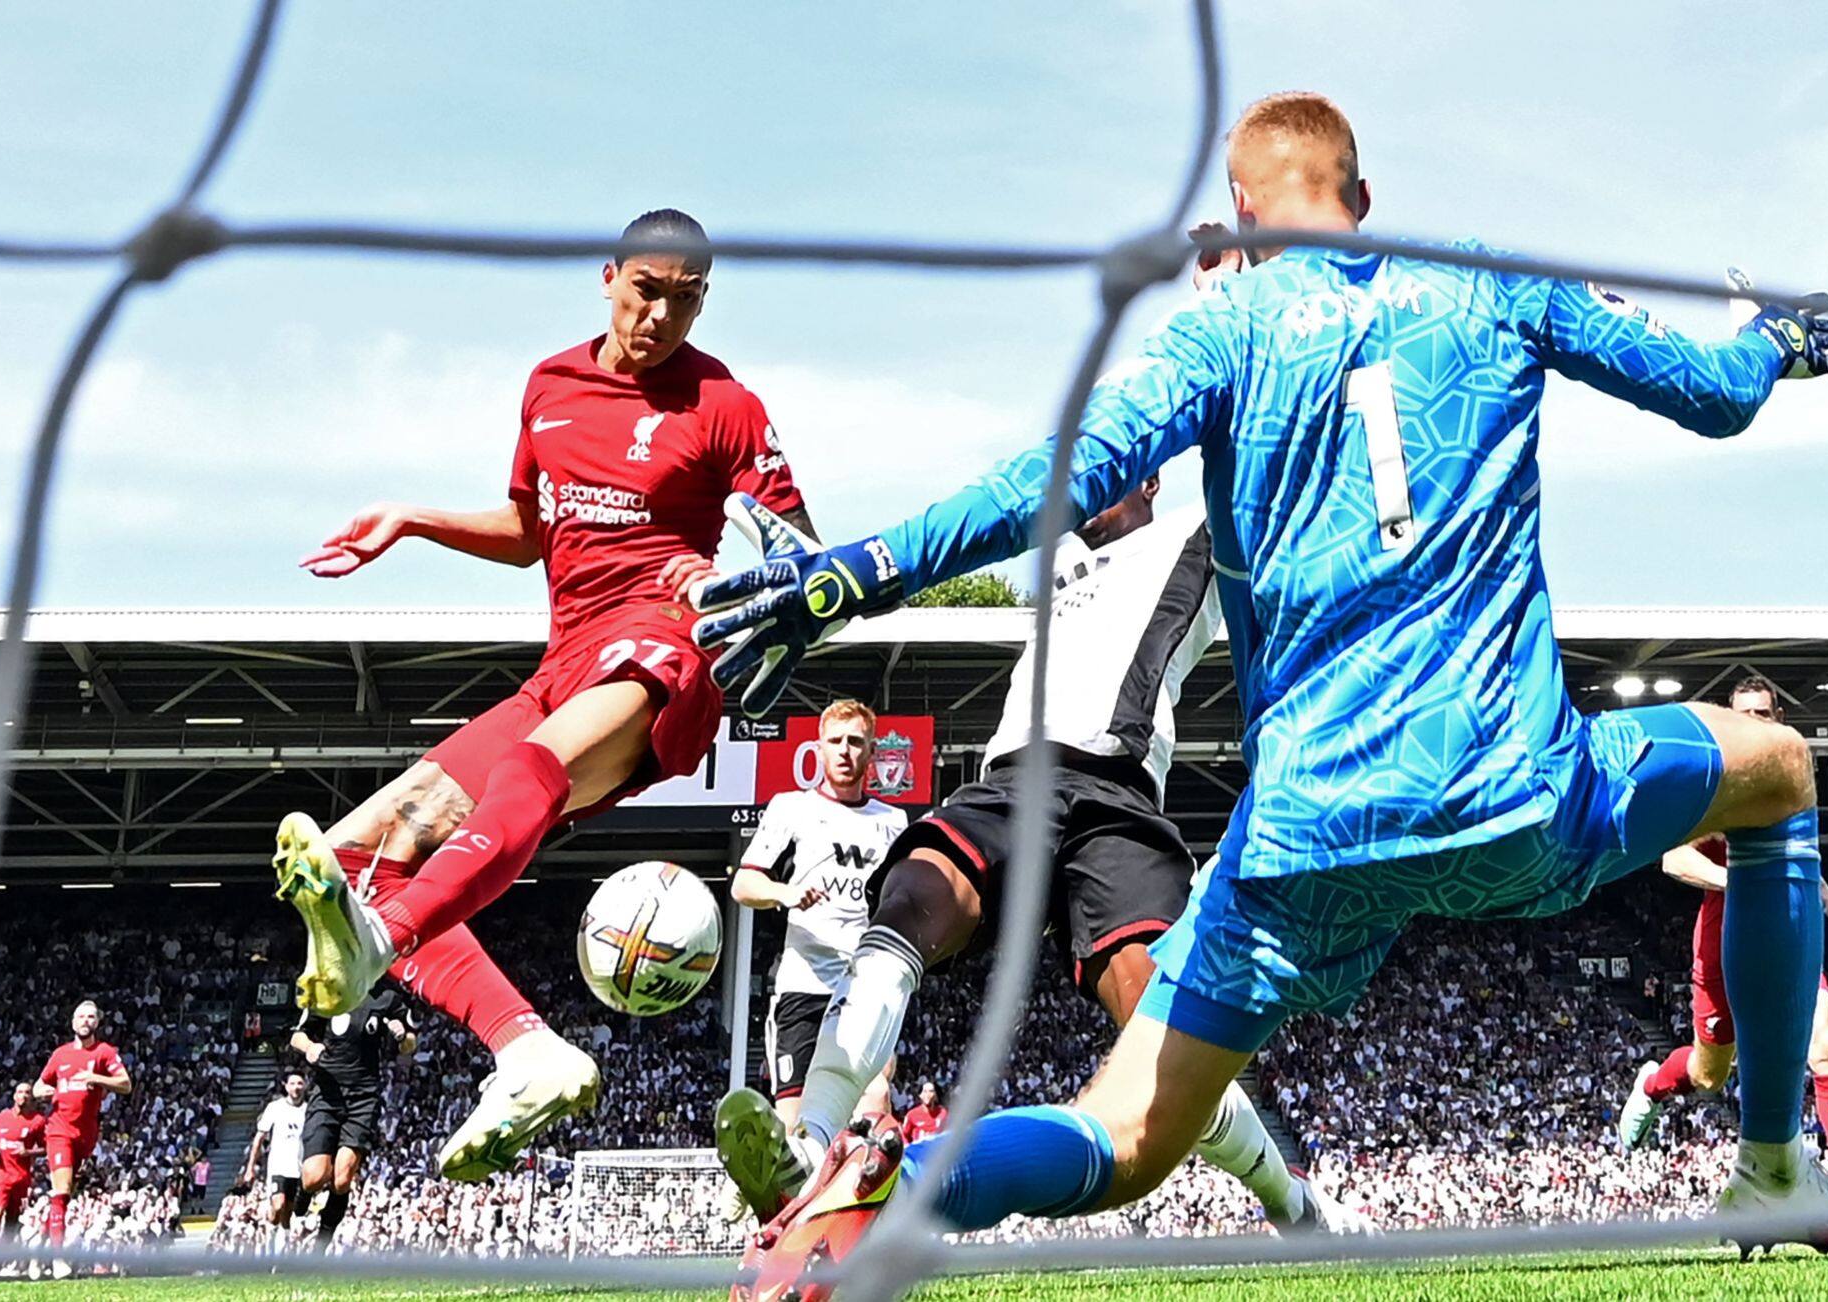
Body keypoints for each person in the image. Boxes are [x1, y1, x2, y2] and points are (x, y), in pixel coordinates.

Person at [694, 89, 1828, 1290]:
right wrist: (1771, 341)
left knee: (1126, 1137)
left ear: (1242, 215)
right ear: (1365, 196)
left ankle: (894, 1196)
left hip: (1304, 848)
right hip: (1511, 796)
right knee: (1775, 772)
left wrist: (855, 573)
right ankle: (1775, 1163)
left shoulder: (1220, 332)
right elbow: (1713, 395)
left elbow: (1057, 476)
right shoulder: (1490, 278)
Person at [271, 207, 813, 1183]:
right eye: (646, 291)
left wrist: (729, 581)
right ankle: (526, 1052)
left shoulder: (725, 404)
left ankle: (384, 940)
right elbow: (531, 531)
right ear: (609, 278)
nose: (661, 317)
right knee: (353, 857)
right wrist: (414, 519)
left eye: (686, 300)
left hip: (663, 644)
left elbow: (804, 557)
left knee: (527, 772)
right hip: (561, 664)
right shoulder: (550, 385)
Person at [715, 484, 1340, 1237]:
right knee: (910, 894)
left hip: (1115, 799)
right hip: (1009, 785)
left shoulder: (1194, 530)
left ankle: (1289, 1199)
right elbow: (958, 535)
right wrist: (837, 576)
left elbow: (1272, 472)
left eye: (1113, 464)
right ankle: (810, 1149)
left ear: (1149, 479)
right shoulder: (1055, 568)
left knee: (1164, 1032)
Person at [1617, 677, 1828, 1181]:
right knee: (1710, 1074)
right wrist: (1744, 882)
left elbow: (1795, 850)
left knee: (1825, 1047)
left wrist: (1819, 886)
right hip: (1723, 937)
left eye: (1763, 715)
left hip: (1788, 927)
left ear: (1779, 721)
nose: (1754, 725)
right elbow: (1675, 859)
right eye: (1744, 716)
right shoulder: (1717, 788)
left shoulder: (1789, 779)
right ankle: (1653, 1086)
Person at [726, 698, 907, 1143]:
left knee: (874, 1104)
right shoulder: (791, 808)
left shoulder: (894, 821)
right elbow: (743, 884)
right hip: (804, 983)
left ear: (872, 751)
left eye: (856, 742)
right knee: (796, 1129)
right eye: (836, 741)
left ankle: (864, 1187)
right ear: (818, 748)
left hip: (865, 985)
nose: (845, 750)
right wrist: (785, 893)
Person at [291, 983, 417, 1248]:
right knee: (314, 1176)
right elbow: (297, 1036)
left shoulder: (387, 998)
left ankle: (323, 1241)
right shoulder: (325, 992)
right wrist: (310, 1047)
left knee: (342, 1178)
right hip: (327, 1094)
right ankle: (305, 1190)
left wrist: (402, 1035)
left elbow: (409, 1045)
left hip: (363, 1097)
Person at [31, 999, 131, 1270]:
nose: (85, 1021)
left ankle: (38, 1249)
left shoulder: (104, 1052)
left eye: (90, 1017)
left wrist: (96, 1078)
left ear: (97, 1022)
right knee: (61, 1190)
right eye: (81, 1017)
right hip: (58, 1130)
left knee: (64, 1195)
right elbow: (39, 1085)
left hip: (86, 1134)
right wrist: (41, 1092)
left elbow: (125, 1084)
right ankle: (57, 1259)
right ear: (73, 1022)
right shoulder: (60, 1054)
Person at [239, 1071, 309, 1253]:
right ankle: (270, 1240)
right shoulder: (275, 1108)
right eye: (292, 1083)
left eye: (300, 1083)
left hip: (298, 1168)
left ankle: (281, 1253)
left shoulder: (308, 1110)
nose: (296, 1087)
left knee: (288, 1213)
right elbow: (259, 1138)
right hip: (278, 1166)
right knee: (278, 1206)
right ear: (286, 1086)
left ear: (305, 1086)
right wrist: (250, 1167)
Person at [0, 1082, 45, 1268]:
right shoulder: (3, 1117)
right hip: (1, 1177)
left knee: (11, 1221)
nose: (23, 1095)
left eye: (27, 1093)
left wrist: (29, 1152)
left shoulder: (37, 1121)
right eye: (20, 1092)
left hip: (21, 1179)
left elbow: (46, 1148)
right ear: (14, 1096)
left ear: (31, 1097)